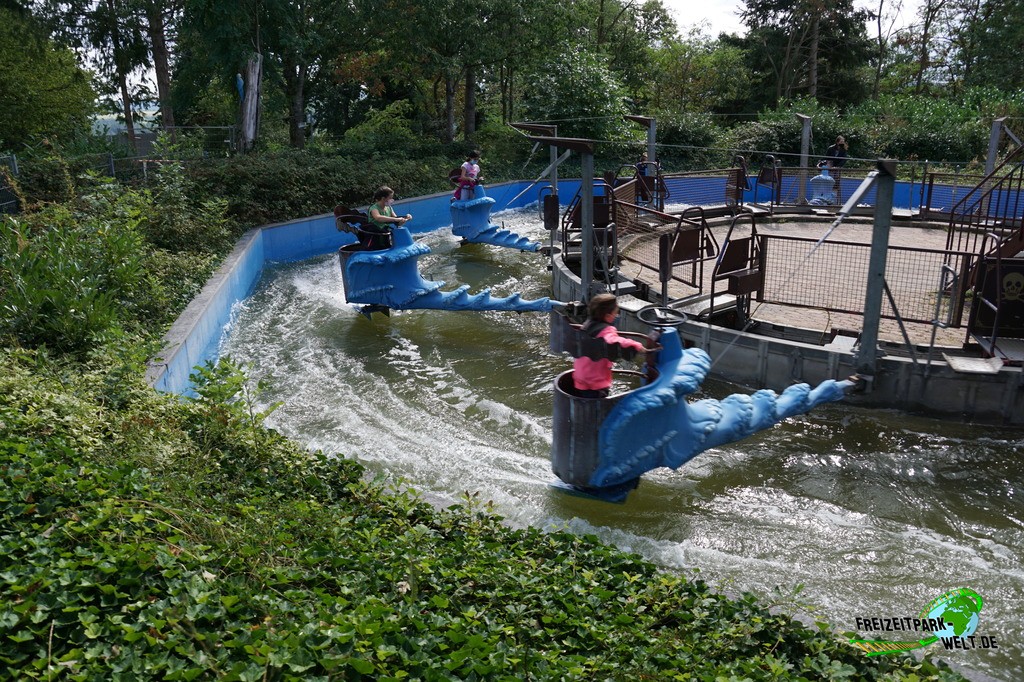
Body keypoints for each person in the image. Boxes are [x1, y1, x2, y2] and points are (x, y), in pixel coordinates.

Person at [572, 293, 647, 399]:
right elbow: (615, 341)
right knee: (598, 407)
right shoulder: (606, 331)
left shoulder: (585, 326)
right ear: (607, 316)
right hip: (595, 383)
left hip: (580, 378)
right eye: (615, 314)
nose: (617, 316)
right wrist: (637, 346)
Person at [363, 186, 411, 250]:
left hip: (385, 235)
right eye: (390, 198)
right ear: (383, 198)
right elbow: (378, 218)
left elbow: (397, 223)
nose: (392, 200)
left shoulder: (389, 208)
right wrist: (395, 219)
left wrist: (405, 218)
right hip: (374, 237)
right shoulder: (374, 208)